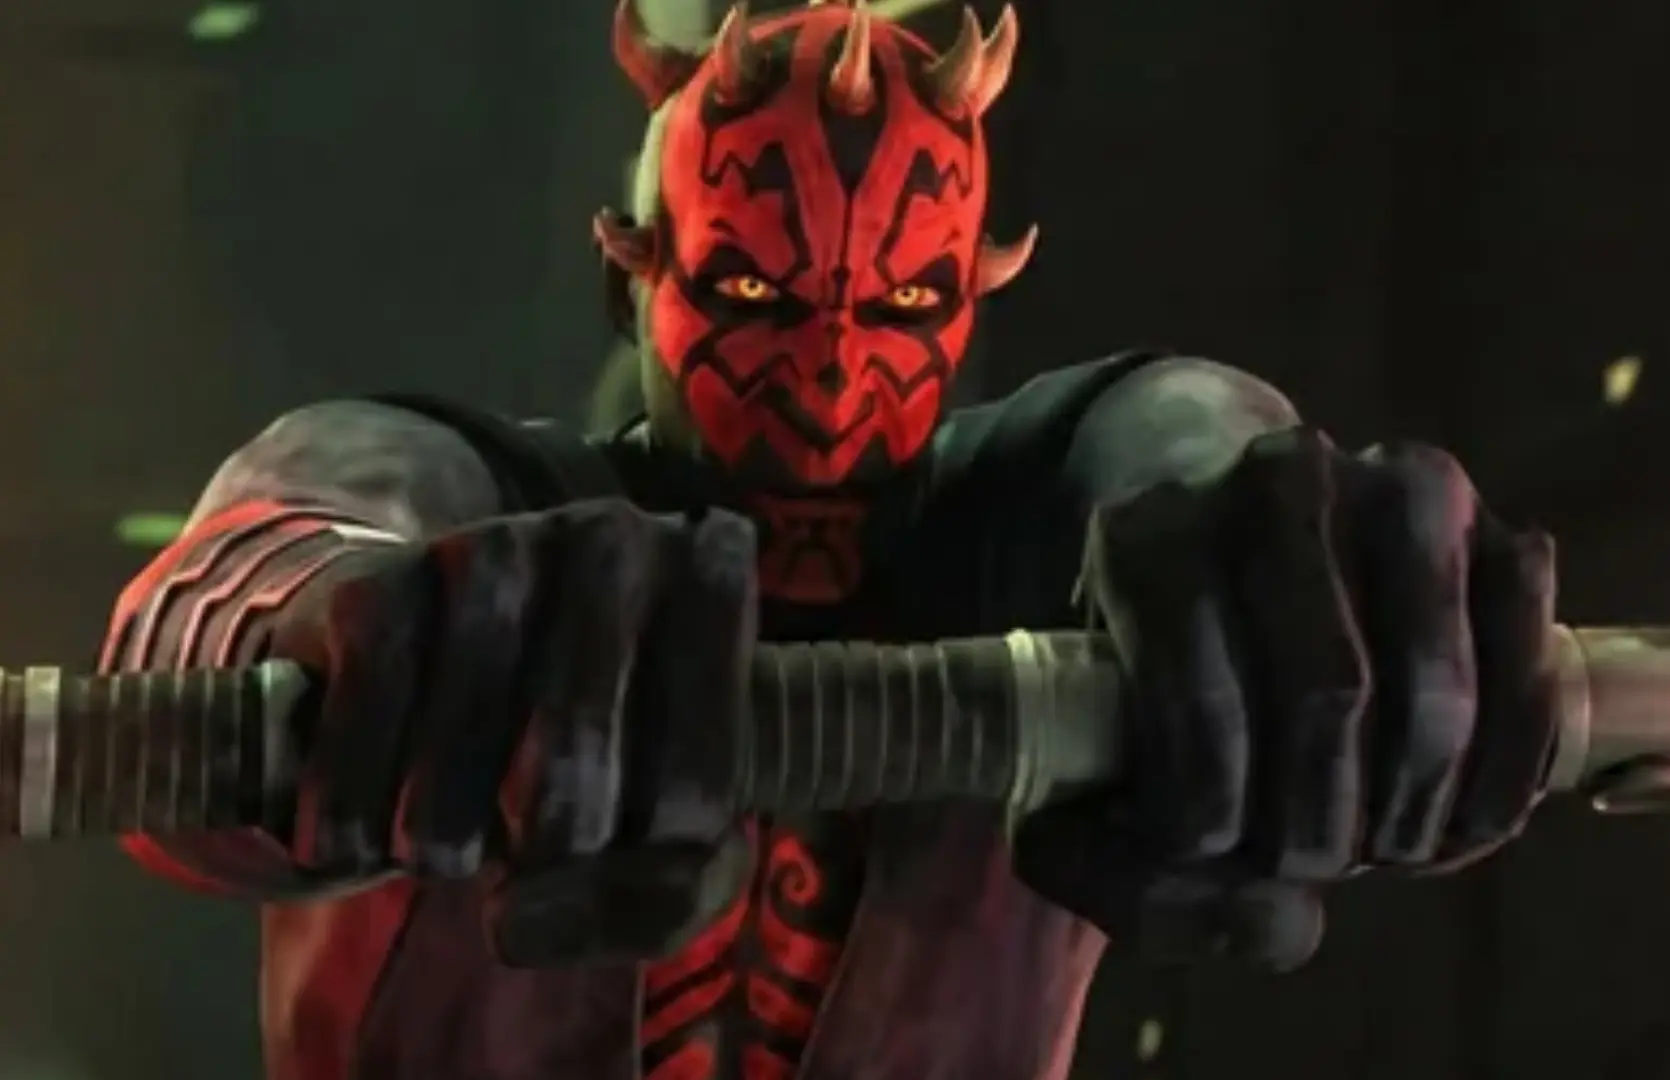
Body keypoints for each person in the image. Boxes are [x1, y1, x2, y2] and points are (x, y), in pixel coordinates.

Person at [99, 2, 1560, 1078]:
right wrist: (349, 626)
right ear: (637, 273)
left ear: (972, 294)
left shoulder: (1026, 534)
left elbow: (1160, 435)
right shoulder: (470, 501)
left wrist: (1245, 504)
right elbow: (273, 565)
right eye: (752, 295)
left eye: (905, 307)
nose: (831, 384)